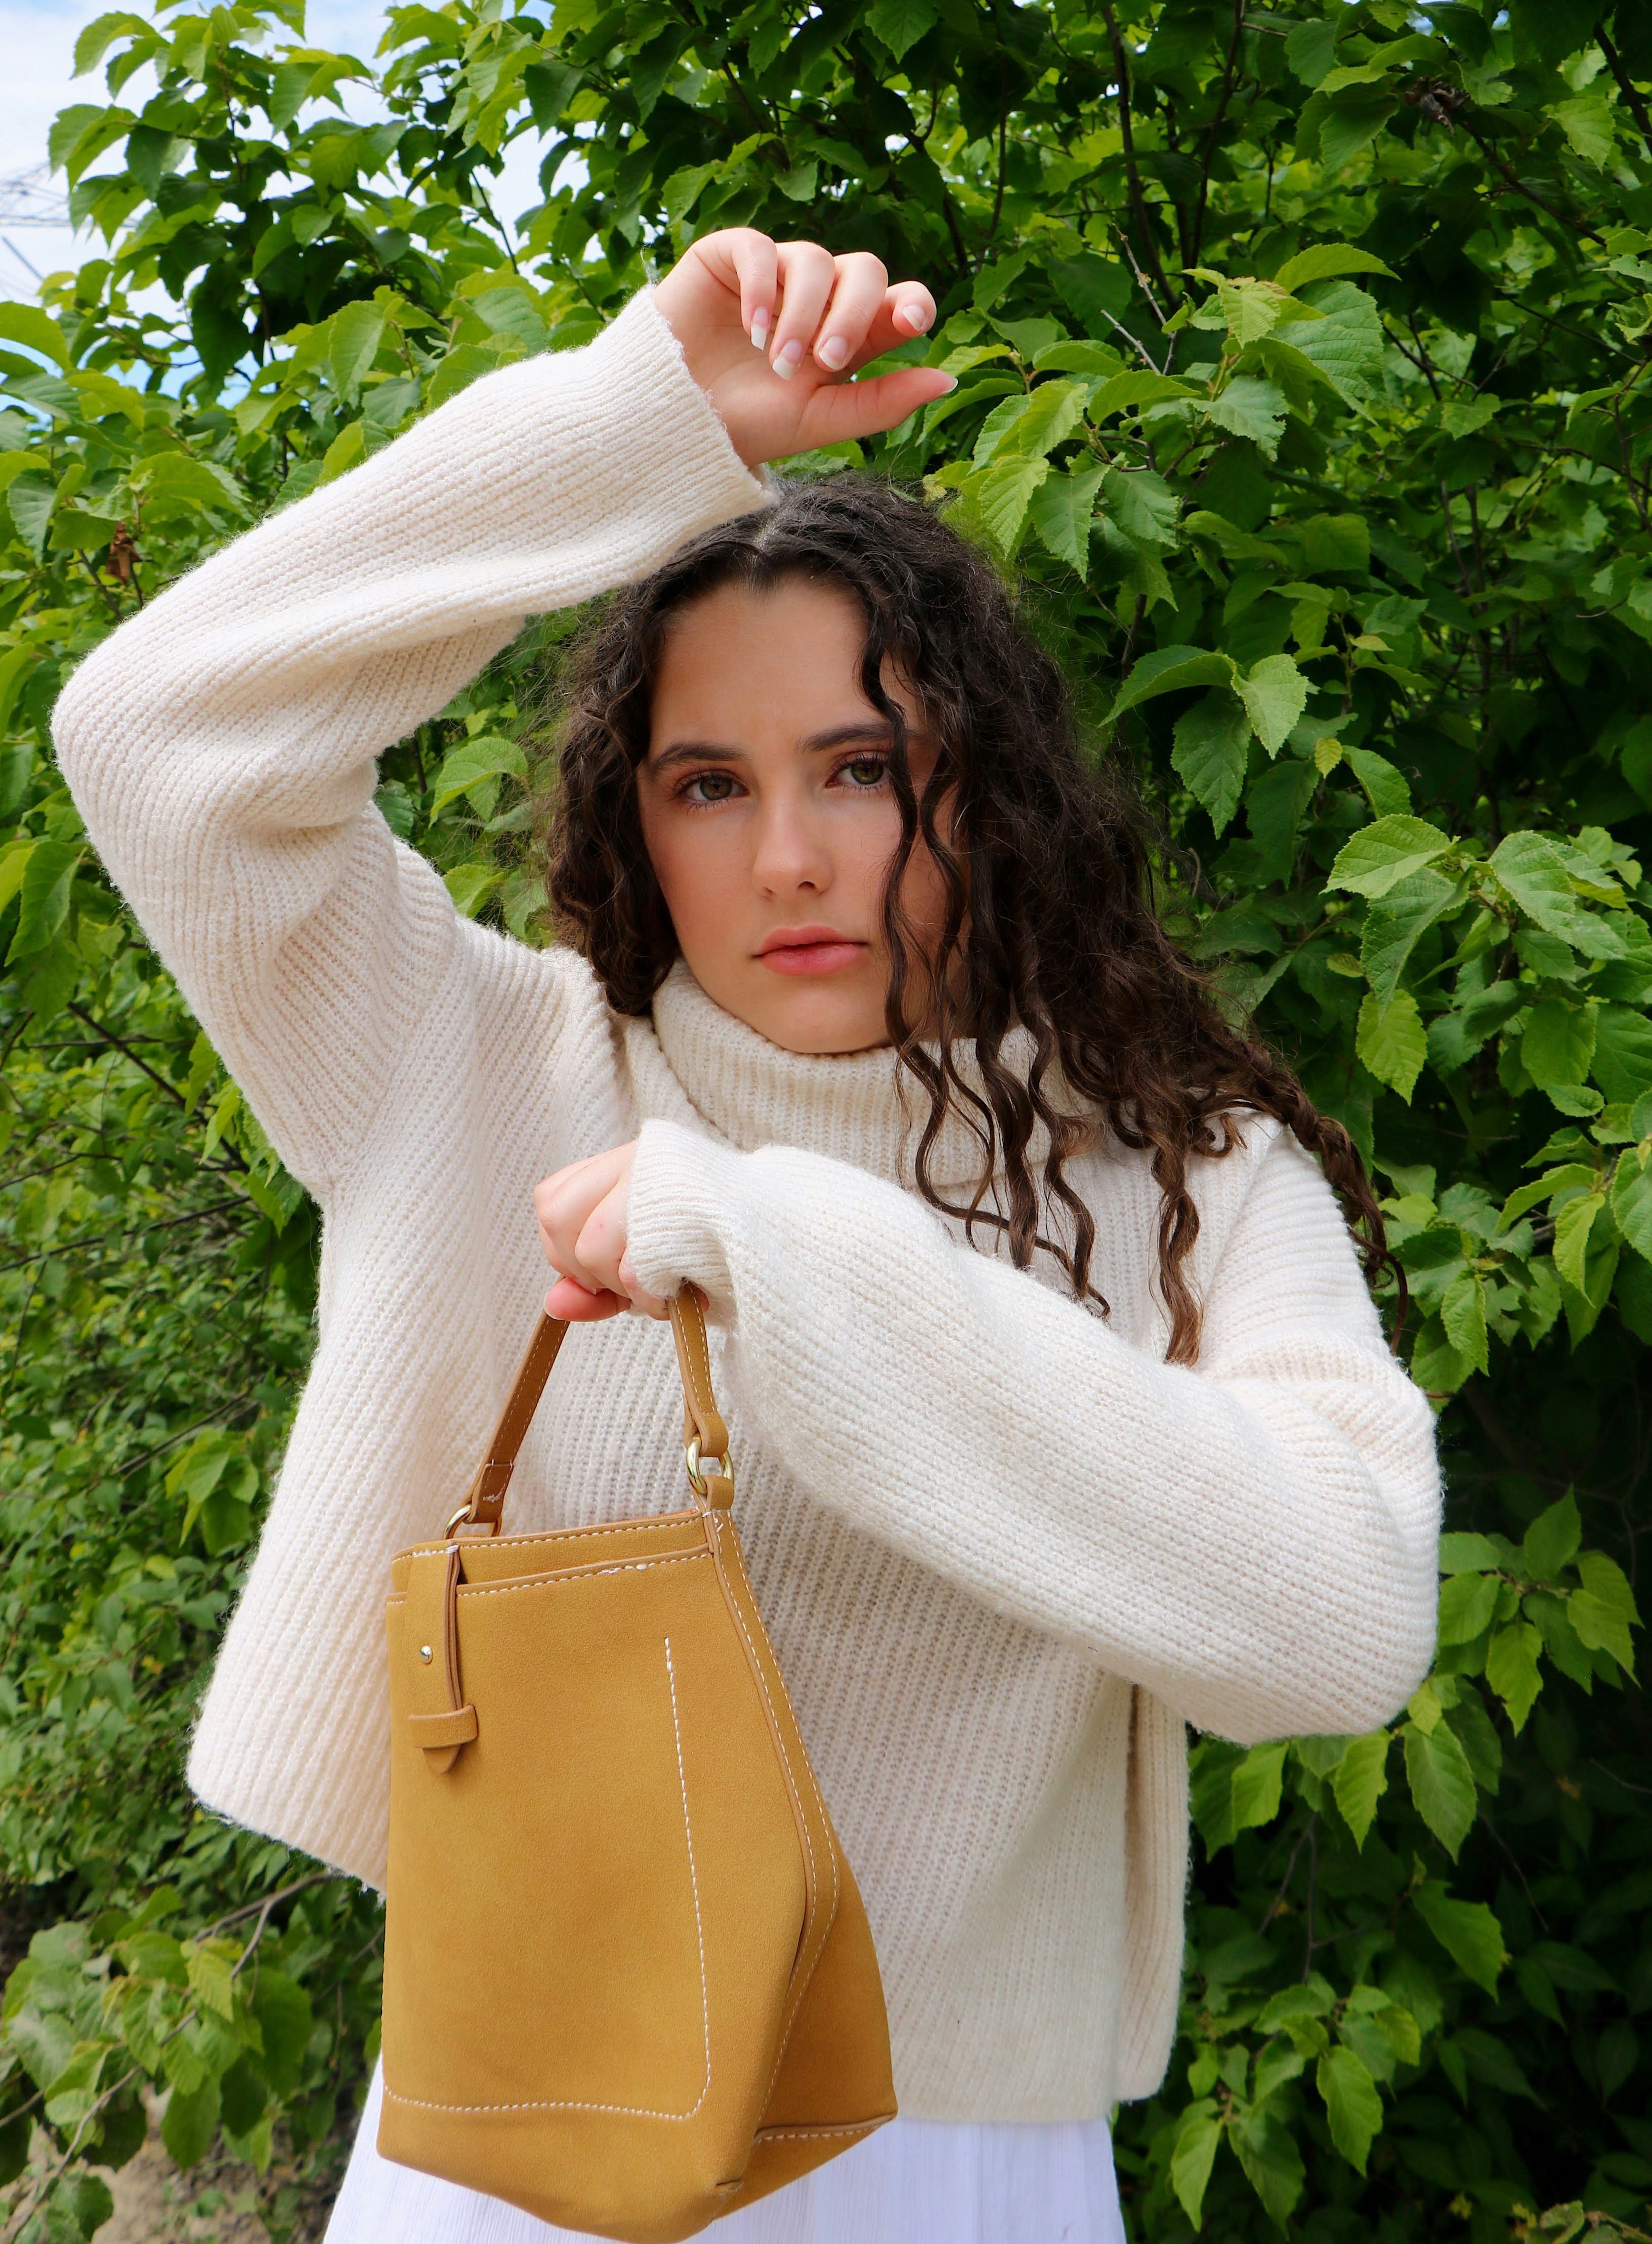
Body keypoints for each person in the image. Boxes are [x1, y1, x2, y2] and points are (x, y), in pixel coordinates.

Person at [54, 229, 1441, 2244]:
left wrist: (788, 1257)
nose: (785, 857)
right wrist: (641, 423)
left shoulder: (1180, 1172)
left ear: (991, 792)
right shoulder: (483, 1061)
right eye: (707, 783)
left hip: (956, 2171)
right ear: (633, 816)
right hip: (522, 2135)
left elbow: (1345, 1614)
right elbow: (155, 735)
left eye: (861, 770)